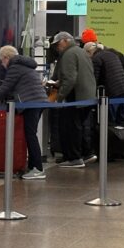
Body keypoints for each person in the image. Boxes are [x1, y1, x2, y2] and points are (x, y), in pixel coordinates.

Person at [0, 45, 48, 180]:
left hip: (30, 103)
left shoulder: (15, 66)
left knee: (30, 135)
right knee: (31, 134)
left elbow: (5, 88)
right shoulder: (25, 64)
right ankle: (33, 166)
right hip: (39, 101)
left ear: (7, 57)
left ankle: (38, 169)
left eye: (2, 60)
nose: (2, 63)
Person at [50, 31, 96, 168]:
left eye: (58, 44)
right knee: (79, 126)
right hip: (88, 96)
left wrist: (59, 96)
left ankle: (74, 158)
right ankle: (84, 154)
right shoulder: (81, 51)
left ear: (65, 41)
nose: (57, 48)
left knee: (70, 127)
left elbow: (70, 79)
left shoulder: (68, 54)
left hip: (76, 97)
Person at [85, 40, 124, 125]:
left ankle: (110, 137)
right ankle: (122, 137)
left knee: (111, 120)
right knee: (122, 120)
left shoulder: (96, 58)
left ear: (89, 52)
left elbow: (94, 78)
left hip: (114, 91)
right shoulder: (111, 54)